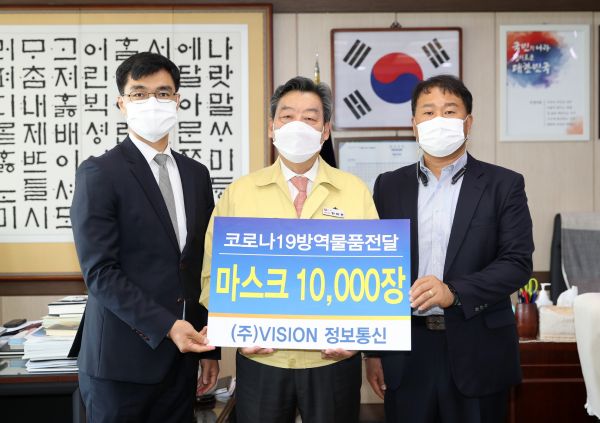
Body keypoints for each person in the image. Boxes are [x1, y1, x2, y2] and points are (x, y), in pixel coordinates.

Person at [200, 76, 378, 423]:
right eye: (287, 116)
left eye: (310, 118)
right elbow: (211, 276)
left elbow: (375, 275)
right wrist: (237, 330)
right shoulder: (240, 193)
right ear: (272, 127)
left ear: (325, 131)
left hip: (333, 360)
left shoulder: (354, 191)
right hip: (261, 358)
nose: (298, 126)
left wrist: (359, 338)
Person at [366, 75, 534, 423]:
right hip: (406, 352)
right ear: (414, 124)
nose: (438, 120)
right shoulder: (388, 186)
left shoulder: (504, 185)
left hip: (478, 347)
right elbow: (374, 268)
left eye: (449, 111)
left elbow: (517, 262)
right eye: (428, 112)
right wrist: (374, 352)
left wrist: (453, 292)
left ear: (468, 123)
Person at [70, 52, 219, 423]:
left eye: (163, 93)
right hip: (119, 367)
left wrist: (209, 350)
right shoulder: (99, 173)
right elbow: (100, 273)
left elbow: (201, 265)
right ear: (121, 103)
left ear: (177, 101)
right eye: (139, 93)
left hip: (182, 362)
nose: (152, 102)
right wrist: (168, 326)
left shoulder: (196, 174)